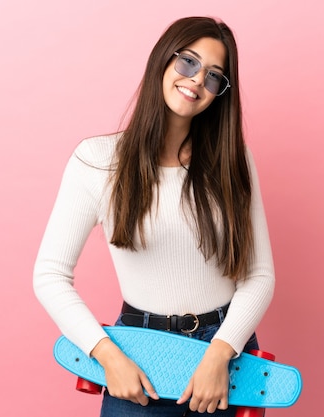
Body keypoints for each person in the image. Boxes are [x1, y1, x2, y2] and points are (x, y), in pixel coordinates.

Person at [33, 16, 275, 417]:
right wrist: (107, 356)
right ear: (163, 60)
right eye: (188, 63)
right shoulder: (97, 161)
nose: (197, 80)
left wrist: (220, 353)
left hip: (226, 356)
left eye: (215, 76)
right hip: (138, 356)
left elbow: (259, 275)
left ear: (220, 93)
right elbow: (49, 275)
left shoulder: (234, 162)